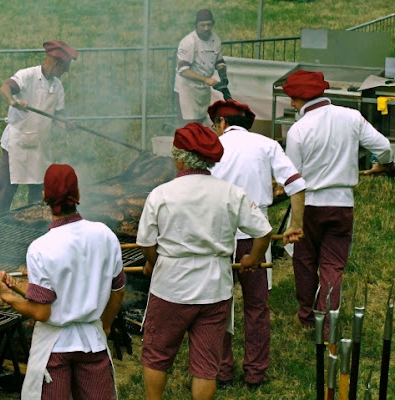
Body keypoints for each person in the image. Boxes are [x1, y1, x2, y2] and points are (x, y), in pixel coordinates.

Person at [137, 122, 273, 400]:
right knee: (206, 366)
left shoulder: (161, 194)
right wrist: (252, 258)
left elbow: (146, 243)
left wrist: (153, 262)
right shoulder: (231, 193)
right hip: (214, 289)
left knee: (156, 355)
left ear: (178, 158)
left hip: (170, 287)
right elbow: (263, 231)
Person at [0, 163, 126, 400]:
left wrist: (10, 298)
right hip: (92, 344)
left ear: (44, 197)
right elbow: (117, 290)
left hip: (55, 348)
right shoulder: (105, 235)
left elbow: (42, 312)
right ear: (78, 195)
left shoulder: (40, 248)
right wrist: (103, 325)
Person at [283, 70, 394, 331]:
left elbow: (292, 176)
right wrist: (384, 164)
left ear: (302, 98)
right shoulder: (351, 117)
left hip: (308, 205)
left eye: (293, 98)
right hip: (341, 203)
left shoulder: (298, 129)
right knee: (333, 265)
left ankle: (307, 316)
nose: (291, 103)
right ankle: (328, 320)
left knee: (304, 260)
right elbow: (384, 147)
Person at [207, 99, 306, 388]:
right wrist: (296, 224)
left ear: (222, 123)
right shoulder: (266, 144)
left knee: (218, 306)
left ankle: (222, 372)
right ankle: (255, 374)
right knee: (257, 306)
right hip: (256, 236)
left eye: (215, 125)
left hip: (218, 236)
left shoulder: (212, 147)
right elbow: (296, 184)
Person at [0, 40, 78, 218]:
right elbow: (4, 88)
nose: (67, 71)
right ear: (57, 63)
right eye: (66, 66)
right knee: (5, 189)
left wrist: (66, 124)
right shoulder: (27, 76)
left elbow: (59, 116)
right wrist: (13, 102)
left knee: (38, 193)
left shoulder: (57, 86)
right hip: (17, 144)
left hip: (40, 146)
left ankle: (34, 226)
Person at [174, 9, 229, 126]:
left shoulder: (216, 40)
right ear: (196, 25)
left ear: (213, 24)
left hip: (203, 90)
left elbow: (219, 62)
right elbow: (183, 71)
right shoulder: (188, 42)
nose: (206, 28)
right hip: (187, 90)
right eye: (202, 25)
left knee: (200, 123)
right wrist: (206, 79)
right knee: (188, 126)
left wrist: (223, 75)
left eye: (209, 24)